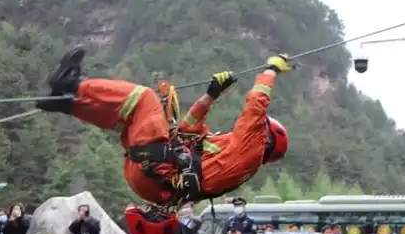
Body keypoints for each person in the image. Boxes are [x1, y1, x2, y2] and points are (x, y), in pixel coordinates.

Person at [36, 47, 292, 207]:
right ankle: (69, 104)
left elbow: (256, 105)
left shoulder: (252, 150)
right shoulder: (234, 153)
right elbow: (188, 130)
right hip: (152, 177)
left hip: (157, 171)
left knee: (144, 98)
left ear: (266, 138)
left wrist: (271, 71)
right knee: (128, 117)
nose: (256, 127)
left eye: (262, 128)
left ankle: (74, 85)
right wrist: (210, 96)